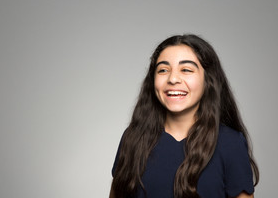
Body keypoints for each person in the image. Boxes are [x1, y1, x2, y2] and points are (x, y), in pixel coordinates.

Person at [109, 34, 259, 198]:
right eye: (163, 70)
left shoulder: (230, 144)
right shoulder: (133, 138)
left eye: (186, 70)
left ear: (208, 80)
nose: (173, 79)